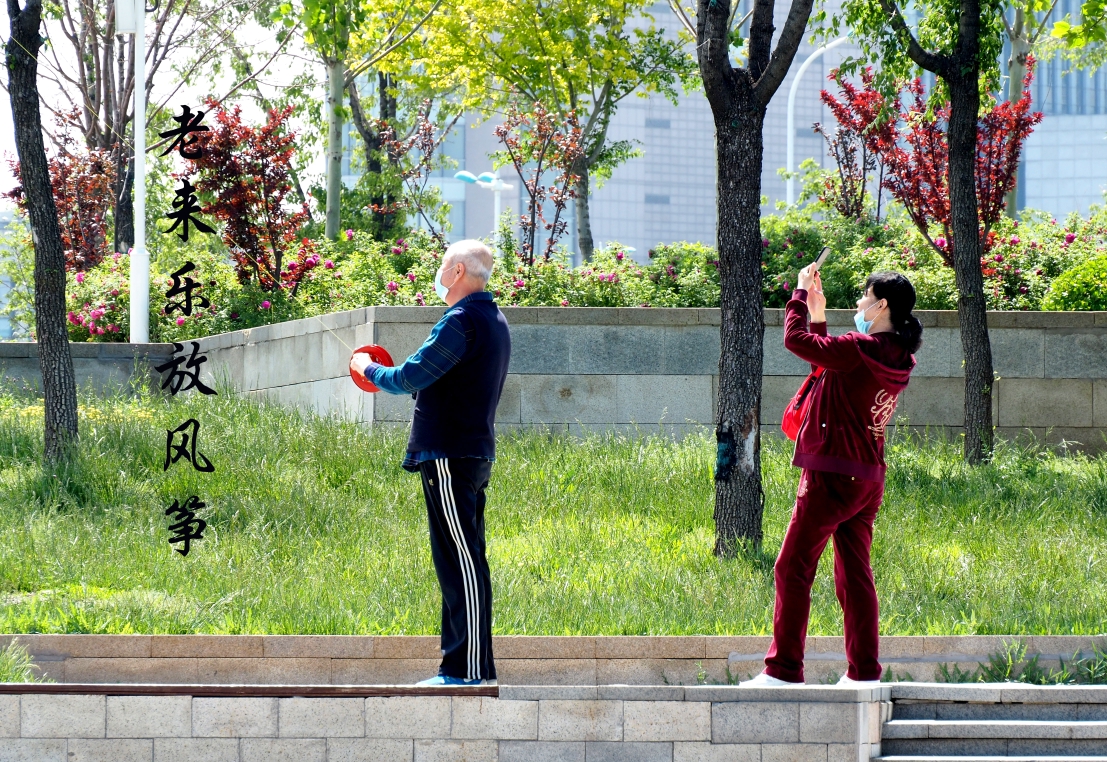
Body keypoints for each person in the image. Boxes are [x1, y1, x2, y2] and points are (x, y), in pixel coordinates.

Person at [741, 266, 922, 687]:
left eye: (864, 296)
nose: (858, 303)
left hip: (832, 476)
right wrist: (820, 318)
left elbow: (796, 341)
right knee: (854, 577)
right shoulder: (897, 355)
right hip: (867, 478)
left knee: (791, 568)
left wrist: (800, 298)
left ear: (881, 306)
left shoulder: (861, 347)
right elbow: (831, 364)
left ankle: (784, 671)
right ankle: (863, 674)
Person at [349, 239, 511, 687]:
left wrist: (366, 368)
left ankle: (468, 672)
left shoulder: (461, 320)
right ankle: (459, 668)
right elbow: (442, 382)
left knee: (461, 562)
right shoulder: (493, 320)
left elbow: (409, 377)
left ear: (458, 271)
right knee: (462, 559)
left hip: (449, 455)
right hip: (471, 454)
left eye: (443, 265)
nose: (439, 273)